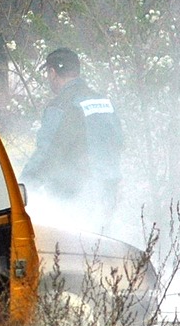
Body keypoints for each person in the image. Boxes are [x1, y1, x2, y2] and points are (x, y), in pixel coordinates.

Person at [22, 48, 123, 227]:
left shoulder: (61, 106)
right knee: (106, 247)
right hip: (109, 191)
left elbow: (45, 153)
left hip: (78, 196)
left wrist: (21, 188)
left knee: (76, 249)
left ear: (52, 73)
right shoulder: (104, 102)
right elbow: (120, 142)